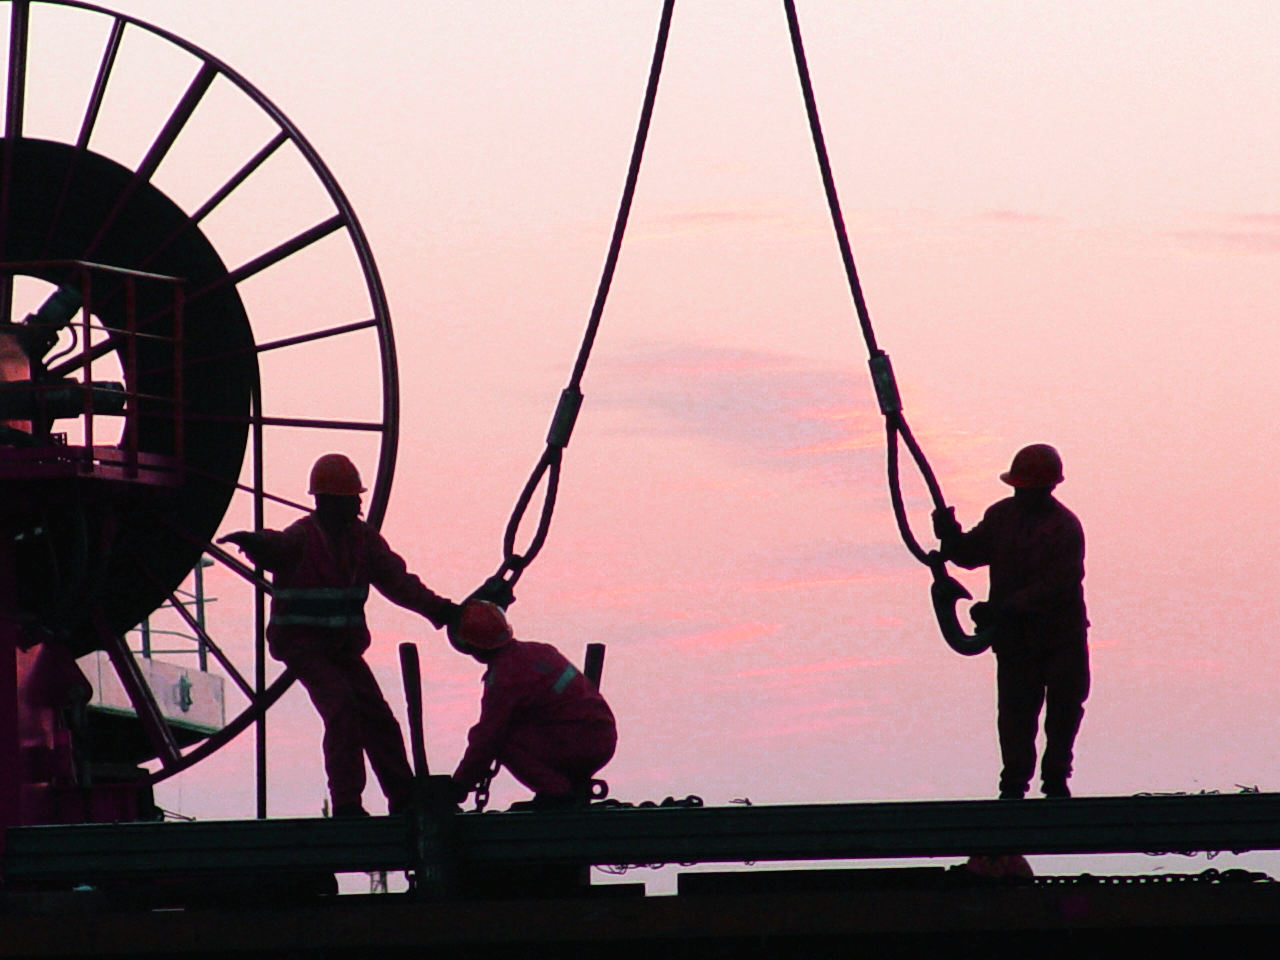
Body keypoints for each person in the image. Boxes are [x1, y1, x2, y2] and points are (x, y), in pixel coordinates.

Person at [220, 453, 458, 817]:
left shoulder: (364, 541)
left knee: (378, 718)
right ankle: (347, 803)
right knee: (342, 707)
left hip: (342, 650)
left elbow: (398, 583)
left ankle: (404, 796)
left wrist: (442, 610)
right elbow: (276, 547)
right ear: (328, 502)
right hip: (303, 647)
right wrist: (255, 542)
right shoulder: (301, 538)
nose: (360, 504)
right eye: (352, 498)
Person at [933, 443, 1088, 800]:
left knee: (1063, 711)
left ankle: (1055, 781)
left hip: (1060, 638)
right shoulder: (1002, 517)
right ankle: (1014, 786)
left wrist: (1003, 609)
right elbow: (970, 554)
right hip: (1016, 641)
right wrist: (950, 535)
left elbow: (1057, 585)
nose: (1023, 494)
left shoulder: (1064, 528)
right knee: (1016, 714)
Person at [450, 600, 616, 809]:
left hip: (576, 744)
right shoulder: (540, 651)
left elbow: (486, 738)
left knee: (501, 739)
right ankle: (566, 789)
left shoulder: (504, 677)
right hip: (603, 738)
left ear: (471, 646)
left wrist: (458, 785)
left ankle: (556, 792)